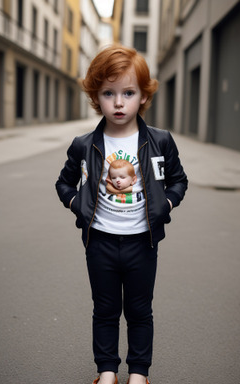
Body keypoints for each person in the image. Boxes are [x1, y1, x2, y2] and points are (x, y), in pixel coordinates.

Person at [55, 45, 188, 384]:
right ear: (95, 96)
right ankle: (107, 371)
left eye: (128, 92)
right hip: (98, 241)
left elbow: (178, 181)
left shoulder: (160, 141)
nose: (118, 102)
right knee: (105, 310)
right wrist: (77, 206)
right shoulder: (84, 145)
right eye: (108, 93)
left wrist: (166, 205)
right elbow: (64, 183)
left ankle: (139, 374)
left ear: (143, 96)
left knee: (140, 311)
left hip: (142, 242)